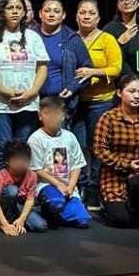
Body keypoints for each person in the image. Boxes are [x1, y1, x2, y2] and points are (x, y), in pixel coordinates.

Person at [0, 0, 48, 188]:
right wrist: (4, 91)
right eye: (10, 8)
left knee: (21, 149)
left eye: (19, 8)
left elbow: (42, 67)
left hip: (28, 103)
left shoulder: (33, 37)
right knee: (1, 149)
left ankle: (20, 191)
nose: (15, 12)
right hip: (0, 103)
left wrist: (32, 92)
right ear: (2, 11)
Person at [93, 74, 139, 228]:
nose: (136, 96)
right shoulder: (109, 118)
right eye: (131, 91)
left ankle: (138, 205)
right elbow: (99, 149)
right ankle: (107, 204)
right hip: (114, 176)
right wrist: (127, 164)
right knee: (122, 220)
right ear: (119, 93)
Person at [70, 0, 122, 208]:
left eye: (91, 13)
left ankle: (94, 187)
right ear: (76, 16)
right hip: (75, 101)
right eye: (82, 12)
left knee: (97, 146)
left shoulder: (107, 39)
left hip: (100, 101)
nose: (86, 16)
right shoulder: (71, 38)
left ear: (98, 18)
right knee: (78, 145)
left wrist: (92, 72)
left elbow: (116, 68)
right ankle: (79, 185)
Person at [26, 96, 92, 228]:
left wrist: (71, 186)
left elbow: (77, 165)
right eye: (47, 113)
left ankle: (57, 214)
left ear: (62, 116)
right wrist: (58, 184)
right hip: (46, 185)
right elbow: (36, 169)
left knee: (83, 219)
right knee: (56, 201)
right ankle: (49, 208)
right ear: (40, 116)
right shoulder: (35, 139)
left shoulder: (70, 137)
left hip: (67, 187)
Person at [35, 0, 92, 114]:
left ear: (63, 15)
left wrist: (72, 88)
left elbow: (87, 69)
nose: (51, 15)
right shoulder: (29, 36)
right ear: (40, 14)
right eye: (47, 11)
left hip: (60, 102)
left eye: (56, 11)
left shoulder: (72, 39)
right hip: (31, 100)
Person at [0, 140, 43, 235]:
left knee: (41, 225)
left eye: (24, 160)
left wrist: (22, 219)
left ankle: (16, 219)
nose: (21, 163)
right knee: (12, 190)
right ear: (7, 161)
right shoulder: (1, 175)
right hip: (5, 204)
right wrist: (5, 224)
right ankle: (5, 217)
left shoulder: (32, 175)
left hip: (20, 205)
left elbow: (30, 200)